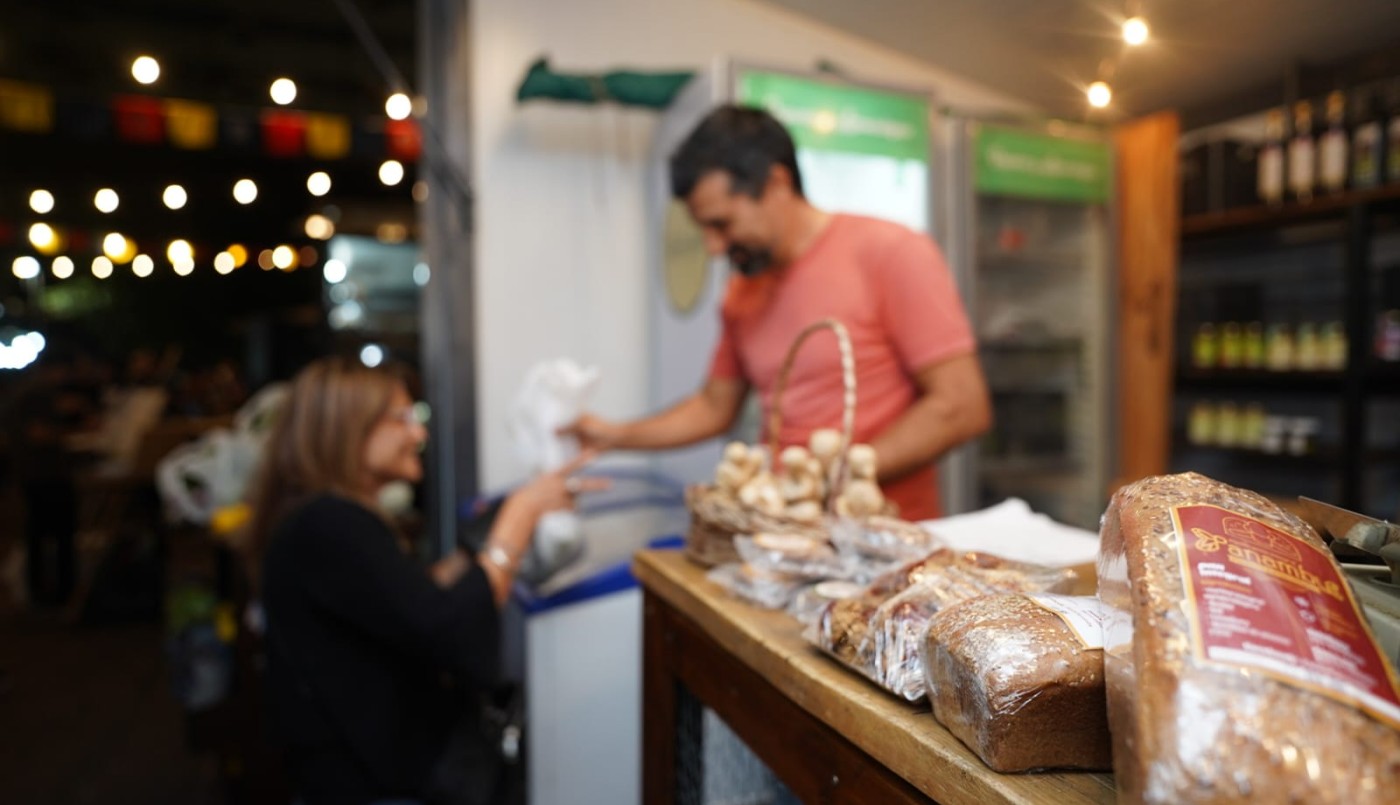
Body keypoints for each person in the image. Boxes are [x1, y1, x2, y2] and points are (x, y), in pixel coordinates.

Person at [564, 105, 992, 520]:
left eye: (722, 224)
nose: (713, 248)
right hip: (784, 536)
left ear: (777, 183)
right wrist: (614, 436)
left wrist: (832, 478)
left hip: (886, 538)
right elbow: (714, 407)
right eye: (704, 231)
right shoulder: (741, 292)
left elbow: (961, 405)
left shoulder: (892, 253)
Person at [243, 357, 603, 805]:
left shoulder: (321, 519)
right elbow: (444, 628)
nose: (419, 434)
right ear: (346, 429)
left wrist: (495, 531)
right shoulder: (330, 525)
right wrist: (520, 518)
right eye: (401, 419)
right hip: (368, 785)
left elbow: (401, 599)